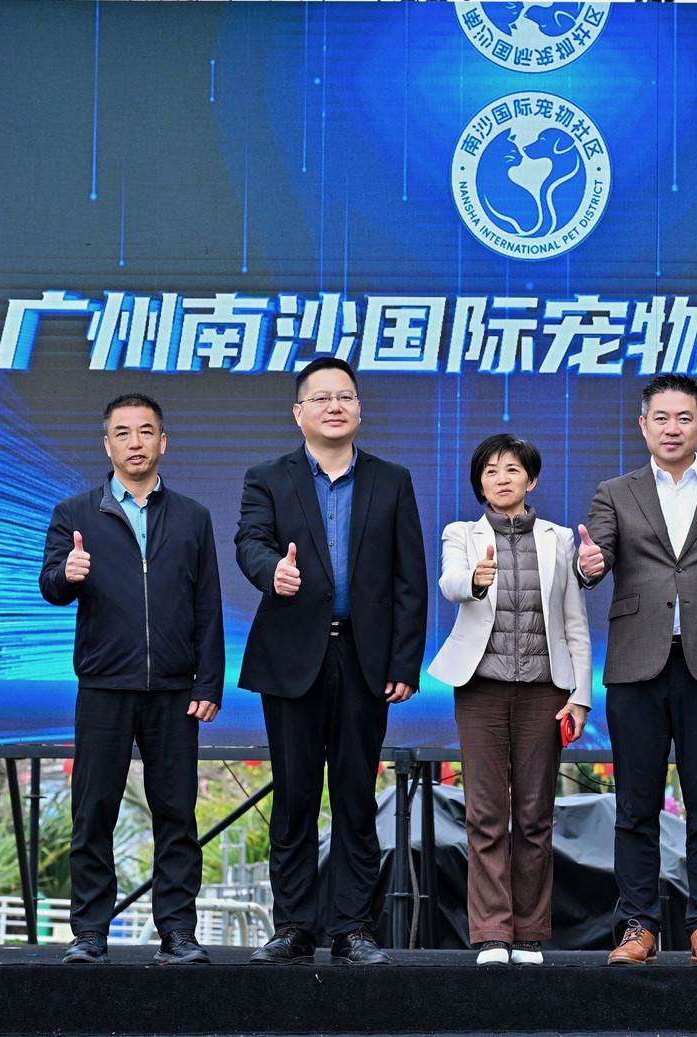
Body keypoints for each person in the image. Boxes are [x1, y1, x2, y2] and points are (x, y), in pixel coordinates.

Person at [236, 357, 428, 966]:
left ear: (359, 409)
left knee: (354, 795)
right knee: (294, 795)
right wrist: (273, 571)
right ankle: (293, 925)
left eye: (345, 396)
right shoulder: (267, 477)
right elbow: (250, 541)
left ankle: (353, 927)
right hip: (293, 656)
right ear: (299, 413)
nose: (334, 406)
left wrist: (403, 662)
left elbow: (410, 578)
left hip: (364, 658)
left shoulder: (391, 480)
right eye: (320, 398)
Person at [577, 374, 697, 967]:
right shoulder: (616, 492)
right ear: (643, 426)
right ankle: (638, 925)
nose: (672, 428)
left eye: (684, 417)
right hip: (636, 664)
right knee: (635, 805)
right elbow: (597, 558)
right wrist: (588, 565)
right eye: (660, 417)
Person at [39, 393, 224, 966]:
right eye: (123, 433)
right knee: (94, 812)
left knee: (177, 815)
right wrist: (67, 574)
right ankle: (90, 932)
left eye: (146, 431)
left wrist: (208, 684)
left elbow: (208, 606)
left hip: (174, 689)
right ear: (107, 445)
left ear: (163, 441)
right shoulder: (74, 513)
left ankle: (178, 933)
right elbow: (50, 587)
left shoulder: (193, 516)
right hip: (104, 686)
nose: (135, 442)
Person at [427, 434, 592, 966]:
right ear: (480, 483)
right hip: (480, 688)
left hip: (546, 690)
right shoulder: (461, 533)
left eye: (513, 469)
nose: (502, 478)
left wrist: (580, 696)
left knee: (535, 813)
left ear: (532, 479)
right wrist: (475, 580)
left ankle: (529, 935)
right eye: (491, 470)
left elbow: (574, 623)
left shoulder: (559, 539)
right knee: (485, 811)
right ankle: (493, 933)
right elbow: (450, 583)